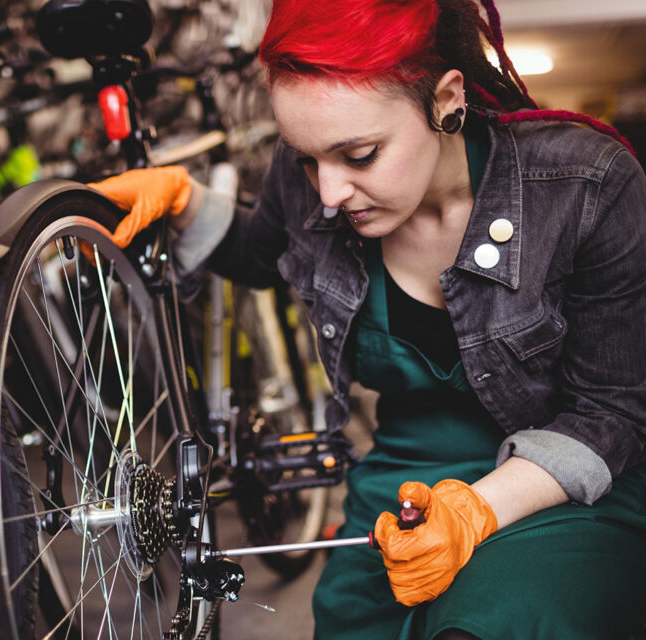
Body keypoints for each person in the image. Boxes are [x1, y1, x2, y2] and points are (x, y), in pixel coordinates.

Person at [88, 0, 646, 638]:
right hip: (403, 482)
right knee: (352, 623)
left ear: (445, 100)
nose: (327, 194)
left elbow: (613, 412)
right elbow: (267, 252)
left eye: (358, 156)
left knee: (495, 622)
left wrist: (476, 511)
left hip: (560, 483)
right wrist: (187, 203)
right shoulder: (314, 182)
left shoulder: (589, 185)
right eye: (306, 158)